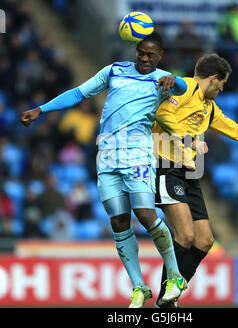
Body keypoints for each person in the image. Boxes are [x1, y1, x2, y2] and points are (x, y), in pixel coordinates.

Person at [21, 31, 188, 308]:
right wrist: (42, 109)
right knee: (118, 222)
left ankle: (174, 275)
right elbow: (78, 92)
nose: (145, 58)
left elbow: (184, 88)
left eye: (151, 55)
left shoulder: (163, 79)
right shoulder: (114, 71)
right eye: (141, 53)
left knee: (146, 215)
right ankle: (139, 287)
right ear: (136, 51)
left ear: (160, 56)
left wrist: (176, 80)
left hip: (137, 155)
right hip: (108, 156)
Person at [152, 53, 238, 307]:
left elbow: (235, 129)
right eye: (222, 83)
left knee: (204, 240)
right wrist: (189, 139)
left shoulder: (209, 106)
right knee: (184, 234)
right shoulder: (182, 88)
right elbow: (162, 114)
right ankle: (166, 298)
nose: (223, 88)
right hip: (165, 167)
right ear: (214, 78)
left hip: (189, 174)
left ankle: (173, 290)